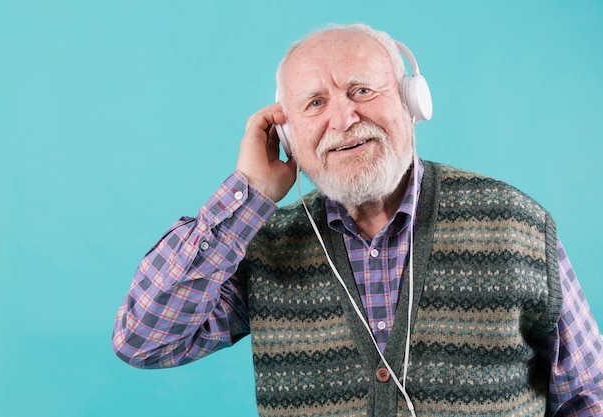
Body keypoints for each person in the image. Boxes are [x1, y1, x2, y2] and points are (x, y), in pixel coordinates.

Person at [112, 23, 603, 416]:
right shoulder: (264, 245)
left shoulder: (516, 225)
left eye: (362, 90)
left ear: (412, 103)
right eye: (315, 103)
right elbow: (143, 338)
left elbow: (588, 398)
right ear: (288, 134)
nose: (344, 118)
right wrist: (249, 194)